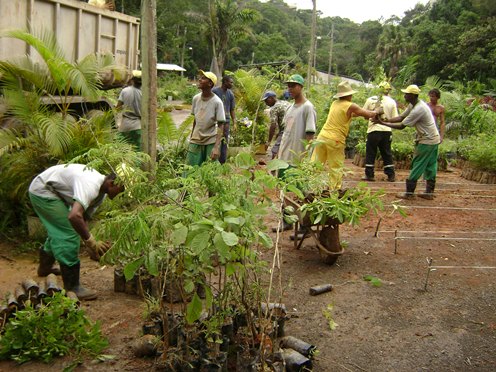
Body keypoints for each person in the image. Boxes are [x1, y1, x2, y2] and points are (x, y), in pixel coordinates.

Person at [29, 164, 125, 300]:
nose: (120, 194)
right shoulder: (90, 185)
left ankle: (45, 268)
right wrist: (91, 241)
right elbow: (74, 216)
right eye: (121, 190)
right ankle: (72, 286)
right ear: (112, 183)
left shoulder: (100, 195)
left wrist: (91, 248)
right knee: (68, 232)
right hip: (43, 190)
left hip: (54, 191)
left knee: (60, 229)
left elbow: (83, 218)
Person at [374, 84, 441, 200]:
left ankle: (409, 193)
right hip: (434, 139)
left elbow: (401, 125)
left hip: (427, 140)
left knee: (418, 163)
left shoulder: (419, 109)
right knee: (430, 165)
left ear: (413, 96)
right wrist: (386, 119)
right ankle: (429, 193)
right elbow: (401, 117)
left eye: (407, 94)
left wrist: (381, 123)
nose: (404, 96)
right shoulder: (414, 105)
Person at [311, 81, 378, 190]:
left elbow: (353, 113)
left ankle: (310, 187)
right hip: (335, 139)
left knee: (316, 164)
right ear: (349, 95)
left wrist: (363, 113)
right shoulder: (351, 105)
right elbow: (367, 114)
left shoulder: (335, 103)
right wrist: (376, 111)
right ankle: (334, 191)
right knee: (335, 167)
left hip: (322, 136)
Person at [273, 74, 316, 233]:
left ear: (301, 87)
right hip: (285, 157)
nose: (290, 89)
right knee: (285, 190)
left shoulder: (307, 107)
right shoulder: (290, 108)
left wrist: (306, 157)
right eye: (288, 86)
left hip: (298, 158)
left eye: (293, 86)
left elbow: (310, 133)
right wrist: (278, 152)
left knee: (301, 192)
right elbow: (285, 132)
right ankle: (287, 220)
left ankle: (305, 224)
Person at [187, 70, 226, 167]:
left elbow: (221, 125)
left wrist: (216, 147)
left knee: (210, 171)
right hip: (196, 140)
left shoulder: (217, 102)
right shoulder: (196, 99)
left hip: (210, 141)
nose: (199, 80)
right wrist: (192, 137)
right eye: (200, 78)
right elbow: (196, 120)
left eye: (203, 78)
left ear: (210, 84)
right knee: (189, 169)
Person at [362, 81, 399, 182]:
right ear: (388, 90)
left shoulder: (370, 100)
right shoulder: (392, 102)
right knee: (387, 152)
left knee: (371, 152)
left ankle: (369, 175)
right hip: (386, 130)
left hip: (373, 130)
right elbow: (395, 118)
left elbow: (365, 114)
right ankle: (391, 175)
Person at [212, 76, 236, 164]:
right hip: (215, 120)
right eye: (231, 82)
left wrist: (234, 122)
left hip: (226, 120)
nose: (232, 84)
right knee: (214, 138)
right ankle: (212, 158)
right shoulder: (215, 91)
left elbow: (232, 109)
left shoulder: (230, 94)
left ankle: (222, 161)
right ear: (225, 82)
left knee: (224, 140)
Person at [116, 70, 142, 151]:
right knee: (137, 151)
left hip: (125, 126)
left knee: (121, 150)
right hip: (138, 126)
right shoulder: (144, 93)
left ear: (132, 80)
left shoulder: (125, 91)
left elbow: (118, 107)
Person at [261, 90, 290, 159]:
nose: (266, 103)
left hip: (286, 129)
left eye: (266, 100)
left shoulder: (274, 108)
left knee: (275, 150)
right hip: (294, 127)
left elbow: (273, 125)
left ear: (271, 98)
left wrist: (269, 141)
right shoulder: (285, 103)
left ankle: (273, 169)